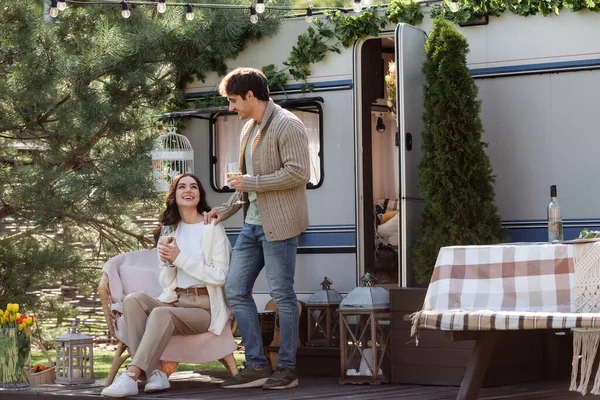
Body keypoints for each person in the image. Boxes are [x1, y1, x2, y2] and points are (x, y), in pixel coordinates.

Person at [205, 67, 310, 390]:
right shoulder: (248, 129)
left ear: (251, 96)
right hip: (252, 226)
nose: (231, 107)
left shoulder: (288, 125)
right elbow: (246, 186)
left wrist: (252, 182)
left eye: (234, 101)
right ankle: (257, 364)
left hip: (279, 225)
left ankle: (287, 369)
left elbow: (298, 173)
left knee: (282, 295)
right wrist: (227, 208)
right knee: (235, 289)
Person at [101, 173, 235, 398]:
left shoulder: (212, 228)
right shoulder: (171, 230)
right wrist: (169, 263)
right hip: (177, 301)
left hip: (205, 309)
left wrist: (179, 258)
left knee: (162, 314)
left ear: (199, 194)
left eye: (194, 186)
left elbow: (220, 276)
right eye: (182, 187)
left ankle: (132, 375)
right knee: (133, 300)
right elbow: (167, 280)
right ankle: (154, 373)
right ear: (174, 196)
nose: (188, 190)